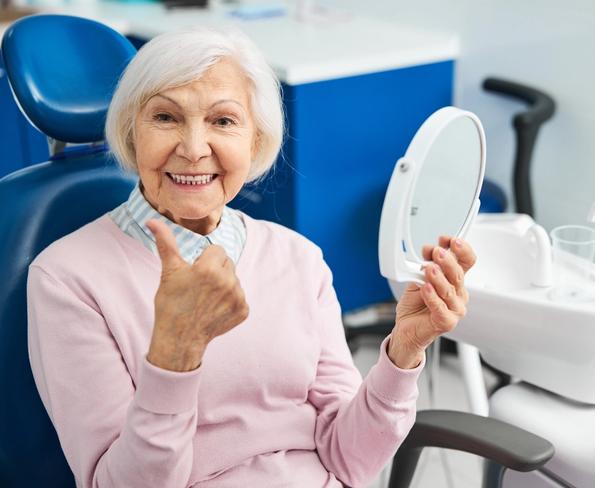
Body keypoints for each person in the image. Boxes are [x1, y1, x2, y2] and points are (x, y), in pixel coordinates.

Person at [26, 27, 476, 488]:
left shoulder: (298, 259)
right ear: (131, 132)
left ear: (256, 141)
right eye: (165, 117)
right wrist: (174, 356)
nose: (194, 148)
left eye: (223, 121)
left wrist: (403, 352)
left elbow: (348, 461)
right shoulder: (67, 279)